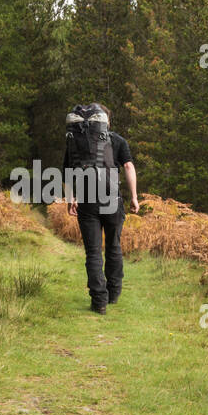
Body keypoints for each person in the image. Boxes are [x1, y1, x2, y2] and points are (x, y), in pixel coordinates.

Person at [63, 103, 139, 314]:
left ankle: (99, 302)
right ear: (107, 122)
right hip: (112, 197)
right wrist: (134, 197)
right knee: (114, 246)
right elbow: (129, 166)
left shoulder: (75, 142)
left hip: (87, 199)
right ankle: (114, 293)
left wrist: (71, 199)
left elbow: (68, 171)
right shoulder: (117, 140)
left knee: (93, 251)